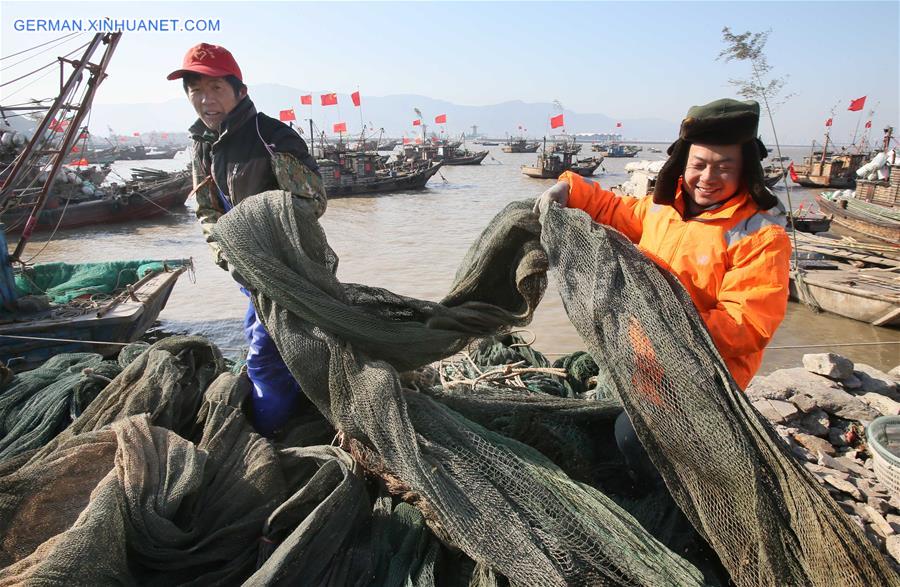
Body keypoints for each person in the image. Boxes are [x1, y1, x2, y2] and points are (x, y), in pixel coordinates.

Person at [535, 100, 791, 578]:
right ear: (682, 162)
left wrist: (665, 323)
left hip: (705, 380)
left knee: (634, 438)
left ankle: (692, 529)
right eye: (698, 164)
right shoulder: (665, 208)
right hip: (646, 363)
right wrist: (567, 190)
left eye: (724, 166)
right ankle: (657, 493)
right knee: (622, 434)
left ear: (747, 168)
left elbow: (748, 324)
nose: (708, 177)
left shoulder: (759, 233)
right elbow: (616, 208)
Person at [168, 42, 327, 437]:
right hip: (245, 272)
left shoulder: (272, 137)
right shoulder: (202, 145)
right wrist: (225, 252)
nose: (206, 100)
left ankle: (268, 438)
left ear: (240, 91)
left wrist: (264, 244)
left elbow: (313, 202)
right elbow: (206, 209)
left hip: (287, 270)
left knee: (263, 359)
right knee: (277, 348)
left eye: (216, 89)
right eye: (196, 91)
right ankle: (293, 415)